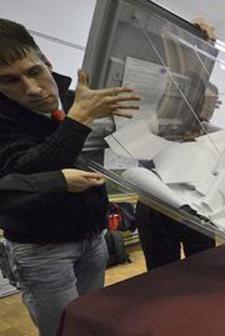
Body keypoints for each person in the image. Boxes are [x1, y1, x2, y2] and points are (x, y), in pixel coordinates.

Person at [0, 18, 139, 336]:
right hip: (41, 248)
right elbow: (21, 177)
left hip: (92, 236)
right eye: (9, 81)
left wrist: (191, 40)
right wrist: (78, 121)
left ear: (47, 61)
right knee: (63, 330)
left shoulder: (78, 97)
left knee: (90, 320)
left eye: (34, 71)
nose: (32, 89)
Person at [135, 18, 218, 271]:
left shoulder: (209, 132)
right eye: (206, 102)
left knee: (204, 267)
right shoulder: (160, 117)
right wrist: (197, 44)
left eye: (215, 104)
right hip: (156, 207)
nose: (210, 108)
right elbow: (180, 76)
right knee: (162, 273)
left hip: (196, 207)